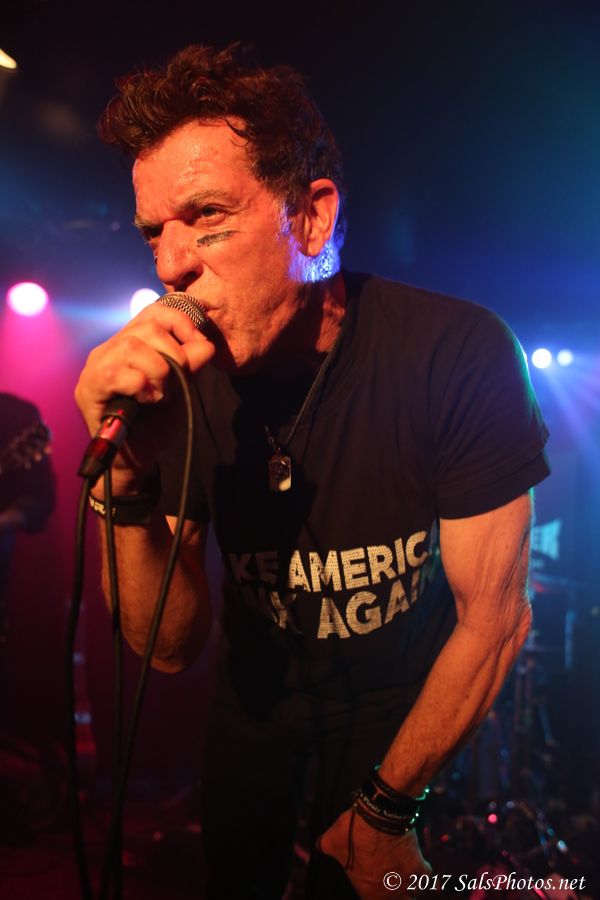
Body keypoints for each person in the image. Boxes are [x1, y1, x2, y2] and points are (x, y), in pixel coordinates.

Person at [75, 44, 550, 899]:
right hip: (253, 710)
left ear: (312, 218)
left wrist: (387, 809)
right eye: (154, 231)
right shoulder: (181, 382)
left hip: (399, 712)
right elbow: (167, 647)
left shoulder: (453, 351)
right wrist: (127, 484)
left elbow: (497, 619)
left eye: (207, 216)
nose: (170, 265)